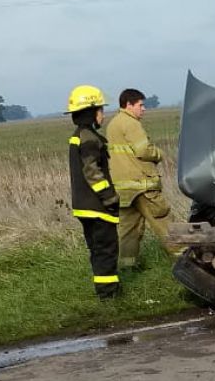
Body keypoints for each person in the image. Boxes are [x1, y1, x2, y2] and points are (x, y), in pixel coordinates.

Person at [106, 88, 182, 268]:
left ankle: (127, 267)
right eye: (140, 105)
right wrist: (159, 154)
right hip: (143, 185)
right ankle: (186, 262)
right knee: (165, 223)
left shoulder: (113, 124)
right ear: (128, 105)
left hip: (124, 190)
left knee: (128, 231)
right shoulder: (131, 123)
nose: (144, 109)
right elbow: (143, 150)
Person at [66, 85, 121, 300]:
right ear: (90, 112)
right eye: (100, 110)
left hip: (83, 208)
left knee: (97, 252)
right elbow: (92, 172)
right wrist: (109, 197)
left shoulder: (78, 135)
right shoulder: (89, 138)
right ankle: (109, 297)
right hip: (97, 208)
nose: (102, 115)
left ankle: (105, 295)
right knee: (106, 251)